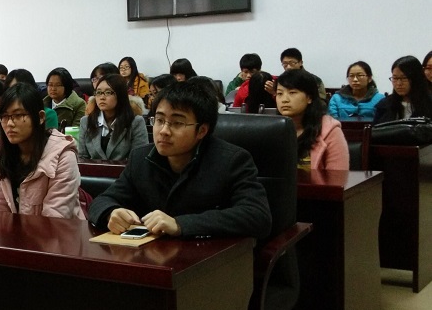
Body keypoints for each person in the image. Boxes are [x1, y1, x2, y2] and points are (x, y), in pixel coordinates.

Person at [88, 81, 271, 239]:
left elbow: (257, 216)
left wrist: (181, 224)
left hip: (211, 259)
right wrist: (111, 212)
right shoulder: (140, 158)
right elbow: (102, 200)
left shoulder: (231, 160)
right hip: (153, 257)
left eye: (177, 123)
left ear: (202, 130)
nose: (163, 131)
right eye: (159, 120)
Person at [0, 83, 84, 219]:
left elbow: (55, 218)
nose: (9, 124)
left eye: (18, 115)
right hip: (13, 231)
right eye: (5, 116)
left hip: (59, 231)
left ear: (41, 117)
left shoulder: (63, 156)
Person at [276, 70, 348, 170]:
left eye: (292, 93)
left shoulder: (330, 131)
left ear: (309, 98)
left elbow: (337, 175)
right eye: (279, 93)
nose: (284, 100)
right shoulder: (273, 128)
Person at [78, 74, 148, 162]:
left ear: (120, 95)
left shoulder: (135, 122)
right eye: (98, 92)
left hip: (125, 170)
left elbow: (139, 159)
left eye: (108, 92)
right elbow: (82, 158)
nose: (102, 97)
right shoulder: (86, 121)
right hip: (93, 170)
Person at [374, 56, 432, 123]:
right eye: (395, 78)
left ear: (416, 78)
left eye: (404, 78)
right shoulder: (384, 105)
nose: (399, 83)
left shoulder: (429, 104)